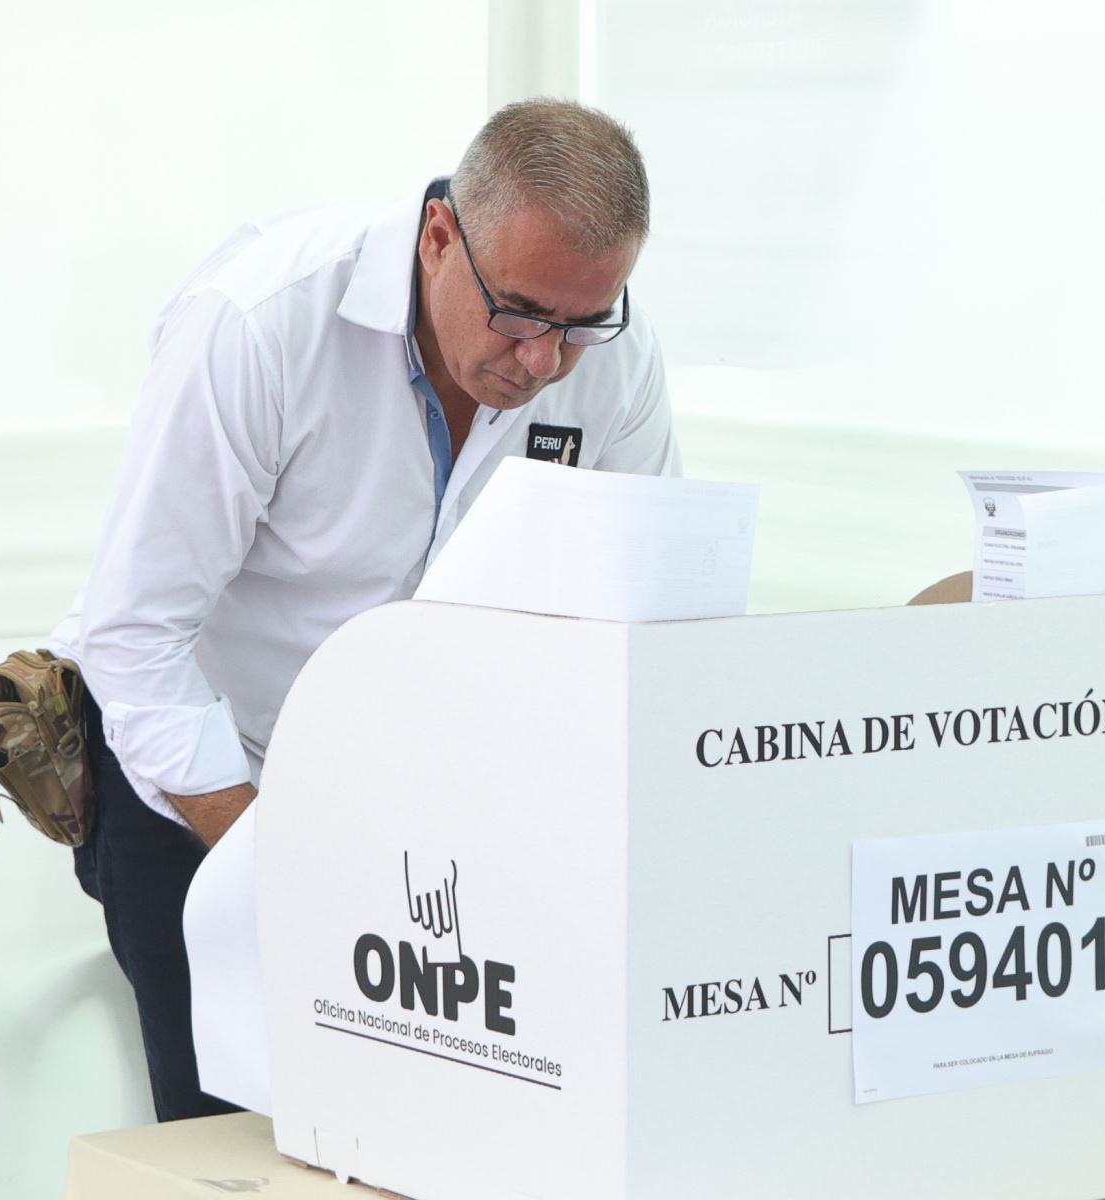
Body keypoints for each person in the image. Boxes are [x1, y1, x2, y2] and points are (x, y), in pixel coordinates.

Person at [49, 99, 678, 1122]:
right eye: (519, 314)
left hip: (423, 798)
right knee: (245, 1143)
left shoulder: (607, 351)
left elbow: (639, 611)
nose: (543, 363)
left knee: (422, 1135)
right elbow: (136, 636)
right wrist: (273, 865)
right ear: (439, 238)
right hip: (205, 778)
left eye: (579, 325)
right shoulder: (259, 322)